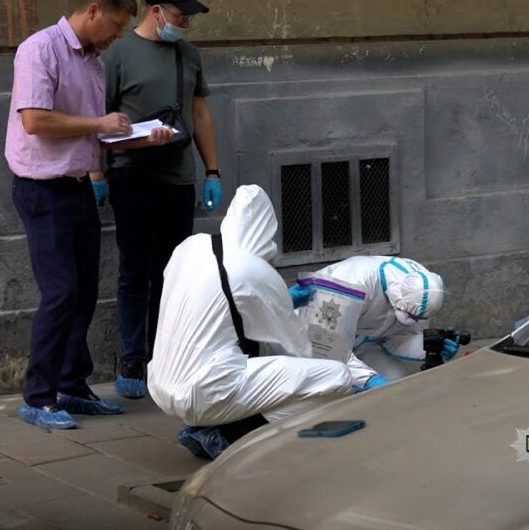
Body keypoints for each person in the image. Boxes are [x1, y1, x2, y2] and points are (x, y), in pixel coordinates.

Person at [5, 0, 172, 430]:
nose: (119, 35)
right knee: (59, 292)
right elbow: (36, 120)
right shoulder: (40, 50)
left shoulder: (95, 61)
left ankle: (73, 387)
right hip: (42, 188)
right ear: (93, 11)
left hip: (78, 185)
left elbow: (97, 133)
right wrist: (99, 121)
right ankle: (38, 397)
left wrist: (140, 138)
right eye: (116, 25)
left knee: (82, 293)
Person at [148, 185, 353, 459]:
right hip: (204, 392)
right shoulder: (253, 269)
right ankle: (228, 435)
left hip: (160, 383)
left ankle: (200, 425)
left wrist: (275, 304)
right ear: (267, 232)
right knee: (334, 378)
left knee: (239, 354)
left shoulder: (190, 247)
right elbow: (296, 348)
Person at [101, 0, 222, 399]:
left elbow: (200, 114)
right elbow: (101, 116)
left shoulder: (188, 55)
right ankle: (134, 358)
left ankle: (167, 355)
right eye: (179, 15)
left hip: (177, 176)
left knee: (173, 272)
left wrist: (212, 171)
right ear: (155, 12)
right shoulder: (117, 52)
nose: (185, 23)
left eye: (188, 16)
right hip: (131, 175)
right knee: (135, 269)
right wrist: (99, 176)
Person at [290, 255, 456, 389]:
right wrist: (368, 380)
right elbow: (327, 350)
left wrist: (427, 347)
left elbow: (397, 337)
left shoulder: (420, 287)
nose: (415, 321)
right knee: (333, 391)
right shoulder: (351, 282)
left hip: (360, 343)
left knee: (394, 384)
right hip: (307, 343)